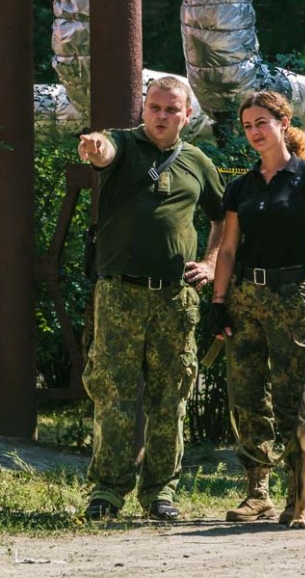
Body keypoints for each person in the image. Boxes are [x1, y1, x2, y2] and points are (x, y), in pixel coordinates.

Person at [77, 76, 226, 522]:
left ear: (186, 115)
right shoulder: (124, 144)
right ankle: (107, 490)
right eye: (154, 107)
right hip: (119, 293)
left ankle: (161, 491)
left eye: (171, 110)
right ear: (144, 108)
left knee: (171, 395)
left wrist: (213, 263)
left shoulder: (199, 163)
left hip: (175, 299)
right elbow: (105, 149)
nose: (161, 116)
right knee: (113, 392)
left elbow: (223, 219)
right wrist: (93, 147)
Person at [208, 90, 305, 523]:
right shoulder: (240, 187)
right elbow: (228, 250)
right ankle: (257, 491)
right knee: (246, 395)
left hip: (292, 296)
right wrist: (219, 301)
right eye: (247, 126)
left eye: (261, 123)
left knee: (291, 398)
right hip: (246, 296)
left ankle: (297, 494)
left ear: (283, 123)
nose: (254, 132)